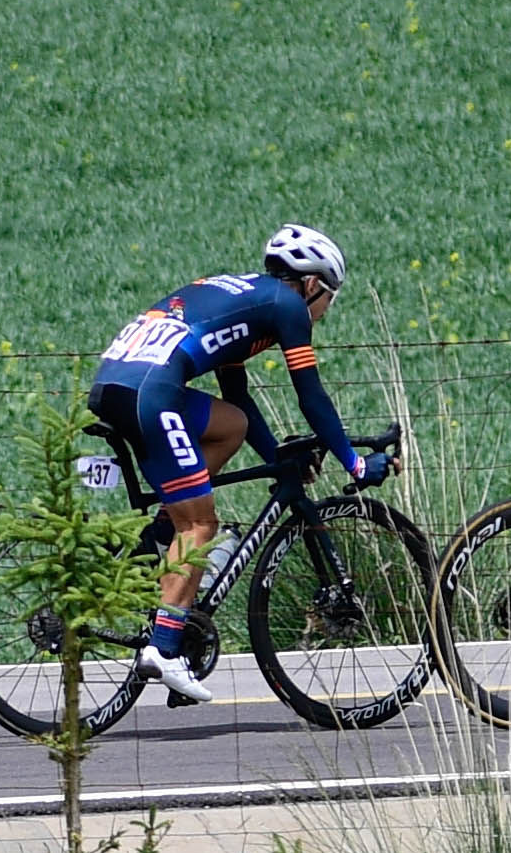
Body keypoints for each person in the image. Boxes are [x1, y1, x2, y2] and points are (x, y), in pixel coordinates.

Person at [87, 223, 376, 706]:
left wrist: (278, 459)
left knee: (230, 425)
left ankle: (156, 544)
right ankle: (163, 648)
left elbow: (237, 397)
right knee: (200, 524)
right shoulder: (286, 308)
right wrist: (356, 465)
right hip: (150, 393)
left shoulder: (243, 297)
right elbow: (311, 396)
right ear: (311, 284)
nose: (326, 311)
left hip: (120, 383)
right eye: (330, 297)